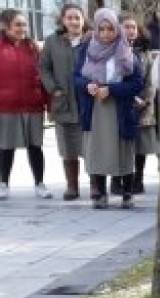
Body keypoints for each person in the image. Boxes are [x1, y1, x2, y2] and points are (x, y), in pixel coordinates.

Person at [75, 7, 143, 210]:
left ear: (117, 29)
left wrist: (111, 89)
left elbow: (137, 83)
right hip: (95, 108)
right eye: (102, 29)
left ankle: (127, 192)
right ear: (95, 29)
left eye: (110, 29)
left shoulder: (126, 51)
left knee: (123, 150)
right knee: (98, 150)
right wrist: (87, 86)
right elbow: (76, 77)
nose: (106, 34)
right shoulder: (86, 51)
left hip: (119, 108)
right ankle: (101, 193)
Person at [37, 3, 88, 201]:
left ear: (83, 20)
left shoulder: (91, 40)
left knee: (90, 146)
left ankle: (95, 186)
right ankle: (72, 186)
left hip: (86, 101)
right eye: (70, 18)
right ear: (63, 21)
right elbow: (43, 68)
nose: (74, 21)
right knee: (67, 147)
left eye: (77, 17)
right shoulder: (52, 42)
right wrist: (53, 88)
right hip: (63, 101)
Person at [0, 9, 51, 200]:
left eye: (24, 24)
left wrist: (49, 104)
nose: (22, 29)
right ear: (5, 26)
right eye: (17, 25)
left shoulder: (33, 48)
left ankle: (40, 183)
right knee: (6, 147)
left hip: (33, 105)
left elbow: (44, 77)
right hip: (6, 107)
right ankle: (3, 183)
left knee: (35, 146)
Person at [120, 13, 156, 196]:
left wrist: (146, 100)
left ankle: (138, 178)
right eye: (126, 27)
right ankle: (118, 179)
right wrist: (132, 98)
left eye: (133, 27)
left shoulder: (145, 53)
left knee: (140, 144)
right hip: (122, 101)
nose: (130, 31)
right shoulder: (113, 52)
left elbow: (150, 81)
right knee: (122, 142)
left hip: (143, 104)